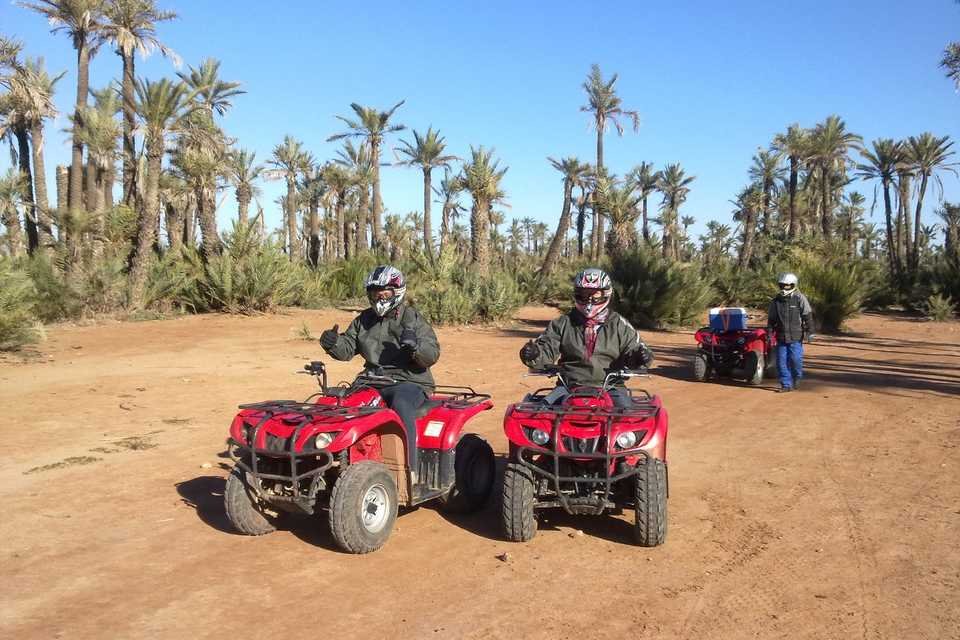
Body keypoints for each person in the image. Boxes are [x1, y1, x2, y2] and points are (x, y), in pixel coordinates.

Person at [319, 265, 440, 478]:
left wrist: (415, 347)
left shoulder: (412, 318)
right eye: (375, 292)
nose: (380, 296)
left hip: (409, 381)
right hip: (371, 380)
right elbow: (347, 349)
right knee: (337, 403)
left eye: (384, 291)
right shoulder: (364, 319)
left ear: (397, 291)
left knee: (401, 404)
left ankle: (410, 469)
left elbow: (432, 354)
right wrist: (332, 343)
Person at [519, 267, 654, 408]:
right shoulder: (563, 323)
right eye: (583, 295)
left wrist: (640, 357)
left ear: (606, 294)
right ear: (576, 294)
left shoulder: (619, 325)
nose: (589, 300)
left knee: (628, 418)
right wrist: (533, 354)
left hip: (611, 387)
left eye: (595, 295)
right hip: (568, 386)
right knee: (541, 413)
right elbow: (546, 348)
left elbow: (636, 348)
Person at [766, 272, 814, 393]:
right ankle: (786, 384)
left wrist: (810, 331)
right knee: (781, 362)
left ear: (793, 285)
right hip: (781, 337)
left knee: (795, 360)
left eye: (787, 285)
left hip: (796, 337)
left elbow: (807, 315)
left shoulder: (799, 298)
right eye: (782, 285)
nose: (784, 288)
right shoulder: (776, 301)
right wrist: (769, 333)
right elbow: (771, 319)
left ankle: (797, 376)